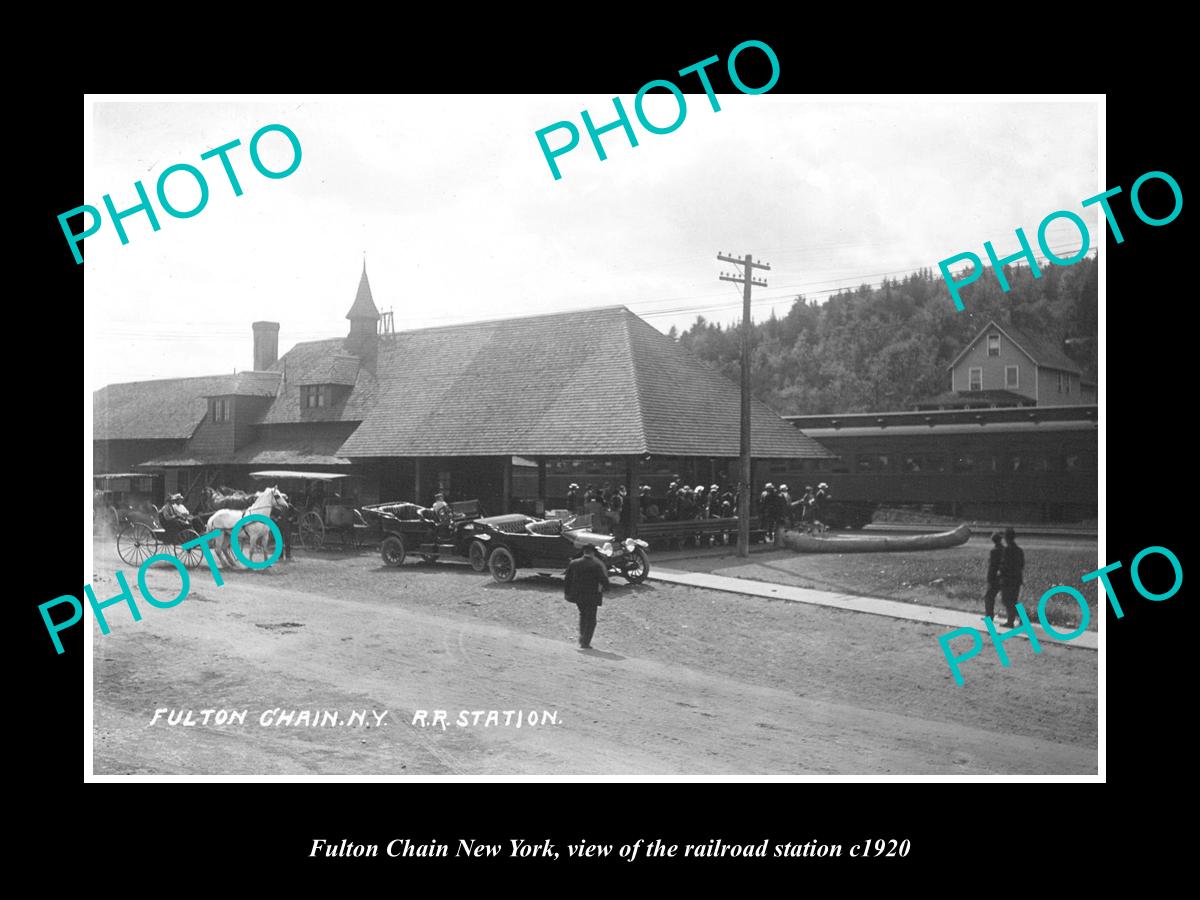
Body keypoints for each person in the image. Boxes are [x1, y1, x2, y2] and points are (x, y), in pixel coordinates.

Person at [564, 545, 610, 649]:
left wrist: (567, 593)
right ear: (593, 553)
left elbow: (567, 579)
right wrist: (606, 588)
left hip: (578, 595)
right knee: (591, 619)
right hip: (592, 596)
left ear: (584, 552)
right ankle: (585, 641)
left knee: (583, 615)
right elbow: (603, 579)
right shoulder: (596, 565)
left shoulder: (574, 563)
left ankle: (582, 637)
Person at [999, 526, 1025, 628]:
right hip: (1017, 578)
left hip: (1007, 579)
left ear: (1006, 538)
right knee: (1013, 600)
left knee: (1006, 600)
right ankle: (1022, 618)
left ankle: (1010, 622)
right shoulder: (1019, 550)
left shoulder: (1006, 550)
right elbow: (1022, 564)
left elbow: (1003, 565)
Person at [982, 532, 1004, 620]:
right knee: (1009, 599)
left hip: (995, 578)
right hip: (1004, 577)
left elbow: (992, 567)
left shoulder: (994, 551)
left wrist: (989, 579)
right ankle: (1022, 617)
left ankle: (989, 616)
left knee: (989, 597)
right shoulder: (1005, 549)